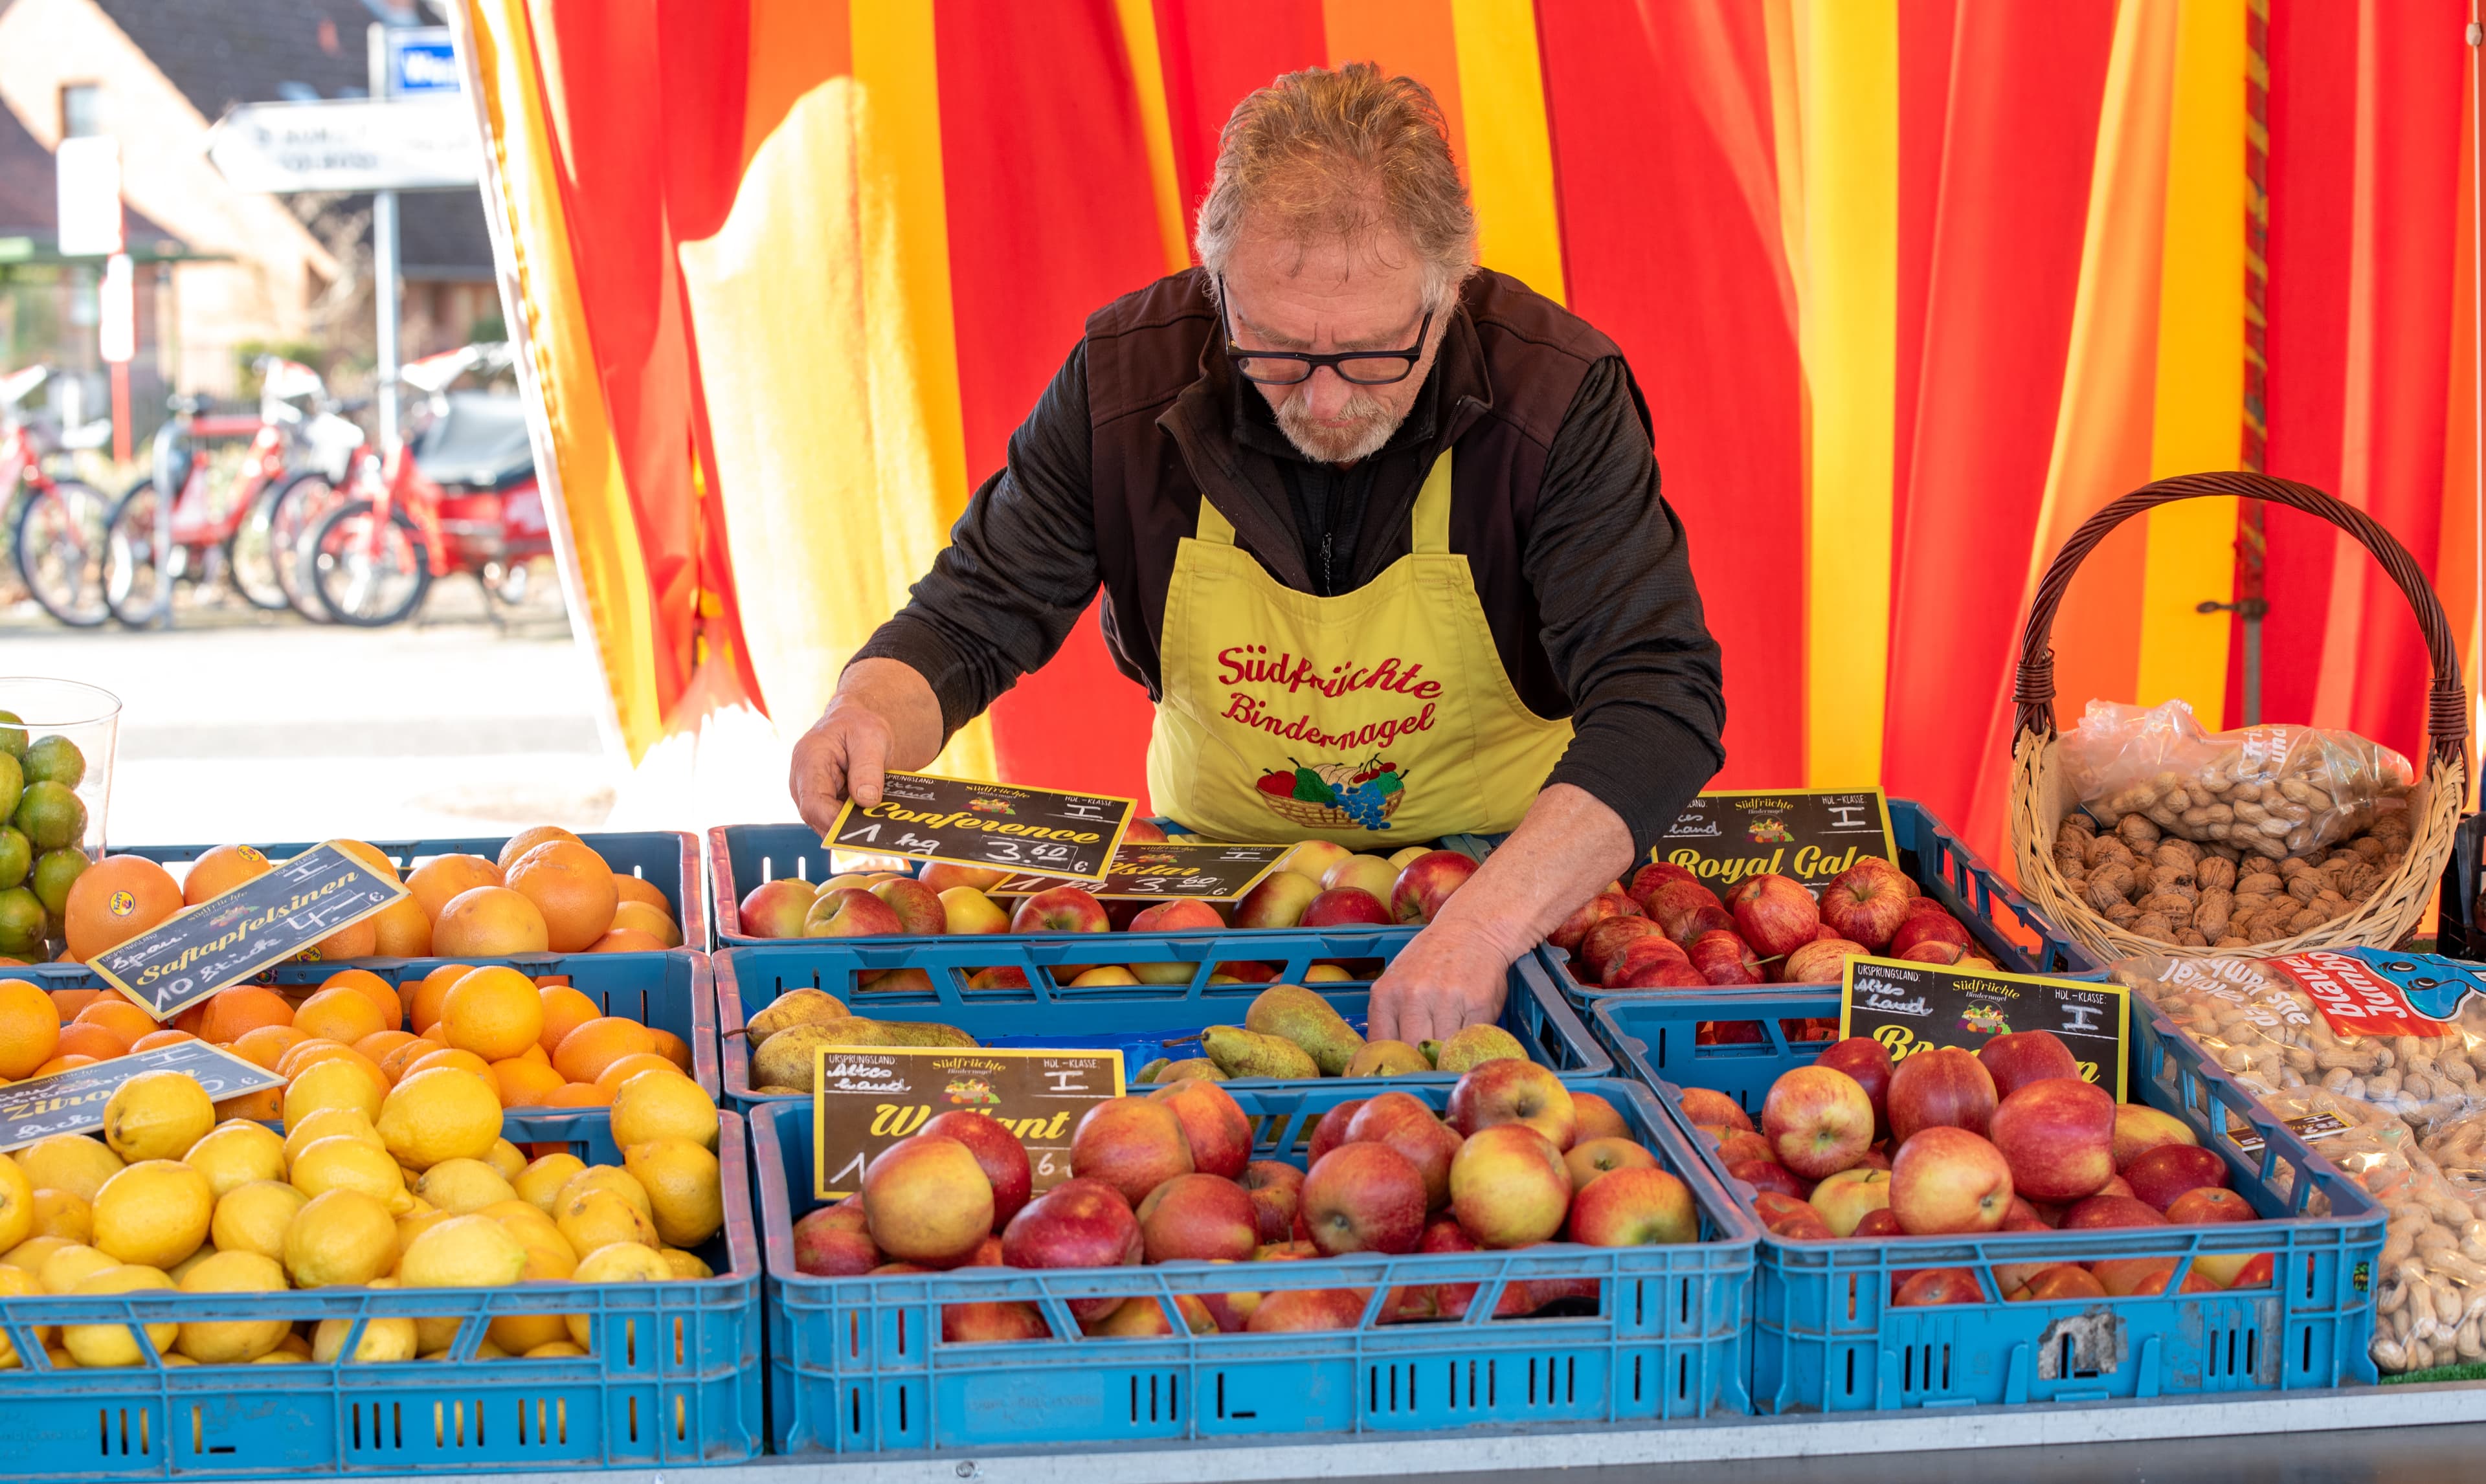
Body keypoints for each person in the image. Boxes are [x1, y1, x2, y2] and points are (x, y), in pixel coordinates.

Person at [791, 63, 1723, 1043]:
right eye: (1275, 347)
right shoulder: (1125, 382)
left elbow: (1659, 699)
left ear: (1448, 299)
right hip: (1209, 906)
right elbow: (971, 615)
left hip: (1507, 884)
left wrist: (1484, 923)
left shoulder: (1554, 396)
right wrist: (866, 710)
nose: (1322, 402)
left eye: (1370, 357)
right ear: (1218, 281)